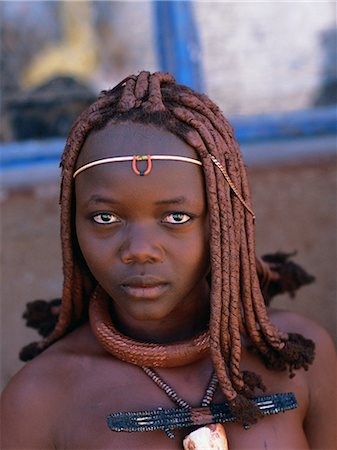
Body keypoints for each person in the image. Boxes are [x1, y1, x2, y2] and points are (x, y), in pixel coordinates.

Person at [1, 71, 335, 450]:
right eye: (105, 218)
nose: (140, 249)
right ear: (72, 227)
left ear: (224, 223)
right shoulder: (39, 398)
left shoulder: (300, 358)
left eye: (176, 218)